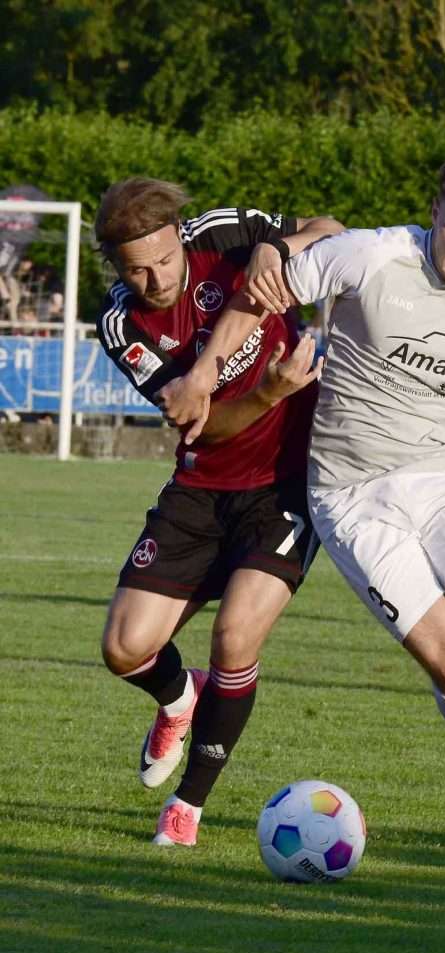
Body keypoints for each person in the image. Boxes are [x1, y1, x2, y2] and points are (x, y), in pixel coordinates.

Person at [163, 154, 445, 869]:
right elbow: (260, 292)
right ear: (435, 209)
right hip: (355, 497)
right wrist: (202, 370)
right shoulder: (371, 256)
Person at [95, 177, 343, 847]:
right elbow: (207, 427)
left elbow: (334, 230)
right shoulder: (122, 325)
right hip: (202, 488)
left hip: (284, 487)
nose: (152, 279)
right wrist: (265, 393)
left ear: (180, 237)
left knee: (235, 636)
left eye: (162, 260)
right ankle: (180, 699)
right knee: (123, 648)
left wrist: (277, 250)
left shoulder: (222, 233)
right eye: (134, 269)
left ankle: (189, 806)